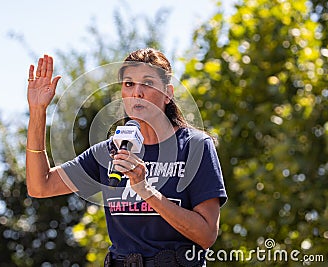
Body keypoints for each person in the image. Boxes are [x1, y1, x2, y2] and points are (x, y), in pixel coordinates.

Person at [26, 48, 227, 266]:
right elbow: (40, 186)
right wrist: (38, 111)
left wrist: (146, 190)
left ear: (168, 93)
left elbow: (206, 235)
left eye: (148, 84)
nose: (136, 93)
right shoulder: (109, 151)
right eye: (129, 84)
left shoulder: (195, 146)